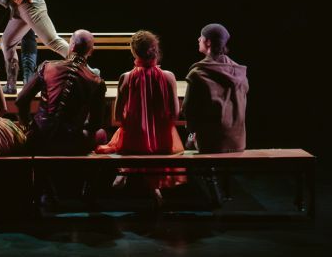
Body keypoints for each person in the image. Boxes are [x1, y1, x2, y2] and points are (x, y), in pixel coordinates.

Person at [96, 30, 185, 195]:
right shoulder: (169, 77)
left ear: (133, 52)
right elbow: (175, 113)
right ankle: (152, 184)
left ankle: (125, 170)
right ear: (156, 51)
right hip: (162, 142)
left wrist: (138, 122)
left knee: (124, 133)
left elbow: (117, 117)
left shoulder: (126, 77)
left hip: (132, 142)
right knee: (158, 134)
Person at [17, 29, 106, 155]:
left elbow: (21, 100)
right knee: (101, 134)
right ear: (91, 51)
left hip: (39, 139)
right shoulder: (96, 82)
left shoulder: (47, 67)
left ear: (72, 45)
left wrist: (28, 126)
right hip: (71, 144)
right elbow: (96, 124)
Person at [182, 23, 248, 153]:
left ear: (208, 42)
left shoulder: (198, 74)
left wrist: (191, 134)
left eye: (201, 37)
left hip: (211, 144)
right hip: (238, 143)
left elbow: (188, 110)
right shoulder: (240, 72)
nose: (198, 39)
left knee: (188, 143)